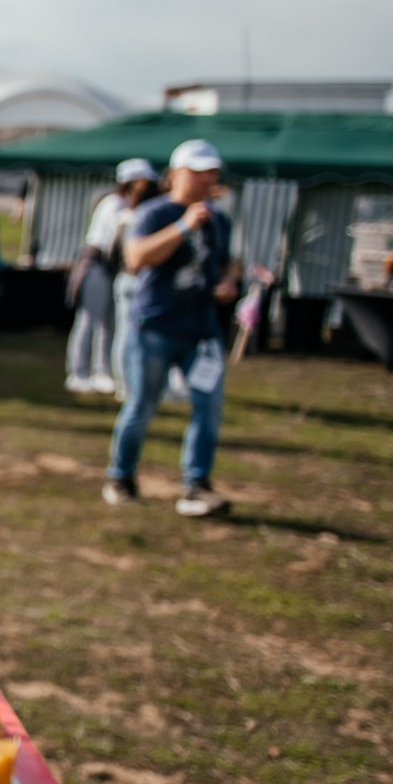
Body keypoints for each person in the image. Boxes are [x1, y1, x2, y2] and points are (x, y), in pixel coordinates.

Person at [104, 139, 240, 518]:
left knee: (208, 407)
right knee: (142, 406)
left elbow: (225, 264)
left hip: (202, 328)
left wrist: (227, 282)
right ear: (176, 174)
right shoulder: (155, 212)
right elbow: (136, 258)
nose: (206, 180)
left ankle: (196, 485)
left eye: (211, 173)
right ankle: (120, 476)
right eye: (198, 173)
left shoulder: (218, 219)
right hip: (155, 326)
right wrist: (183, 225)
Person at [69, 158, 155, 395]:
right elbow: (110, 245)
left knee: (107, 323)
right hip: (97, 265)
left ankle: (102, 371)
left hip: (110, 268)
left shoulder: (125, 205)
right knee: (88, 320)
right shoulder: (114, 205)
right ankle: (77, 373)